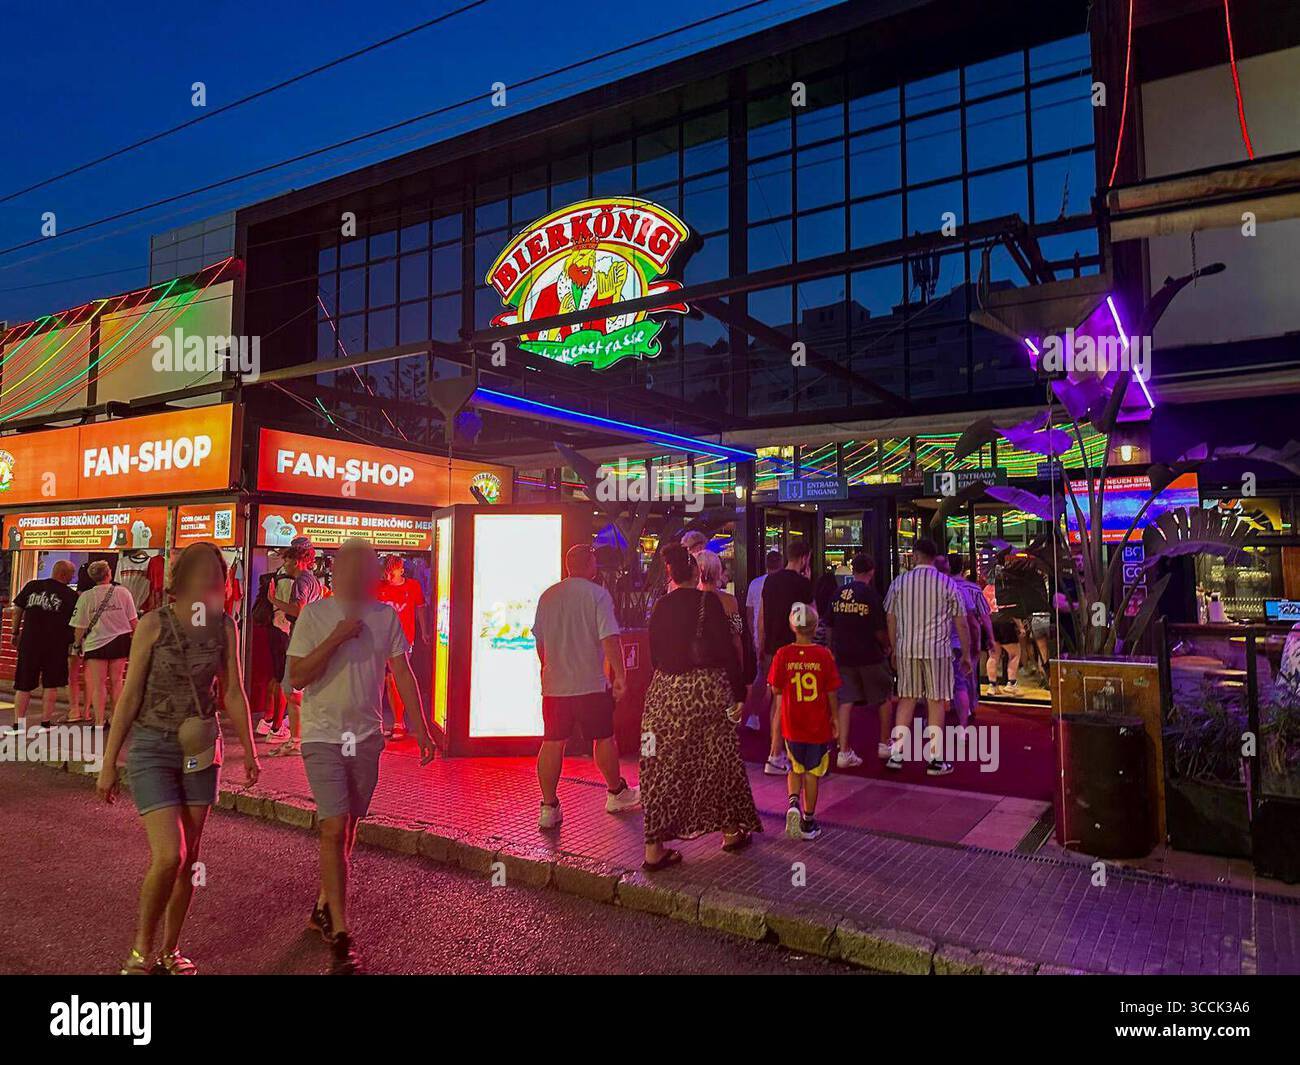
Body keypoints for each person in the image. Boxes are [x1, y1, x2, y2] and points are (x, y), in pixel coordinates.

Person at [96, 542, 260, 975]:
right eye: (199, 574)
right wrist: (109, 760)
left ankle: (171, 950)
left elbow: (232, 691)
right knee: (171, 854)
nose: (208, 583)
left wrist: (250, 752)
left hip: (202, 749)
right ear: (180, 580)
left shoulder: (225, 627)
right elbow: (130, 695)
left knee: (191, 859)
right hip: (152, 746)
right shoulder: (153, 624)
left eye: (215, 575)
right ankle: (139, 950)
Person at [287, 539, 436, 975]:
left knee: (349, 824)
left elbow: (402, 673)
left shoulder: (385, 616)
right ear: (337, 573)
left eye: (368, 568)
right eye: (354, 568)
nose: (363, 575)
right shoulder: (316, 615)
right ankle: (341, 934)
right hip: (322, 737)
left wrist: (423, 729)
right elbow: (296, 675)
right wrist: (335, 637)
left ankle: (323, 904)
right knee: (333, 828)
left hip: (365, 737)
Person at [641, 545, 758, 871]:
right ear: (696, 573)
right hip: (706, 689)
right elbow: (726, 653)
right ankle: (731, 831)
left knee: (662, 766)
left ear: (671, 574)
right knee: (718, 760)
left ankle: (654, 848)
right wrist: (738, 692)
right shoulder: (711, 604)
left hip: (665, 691)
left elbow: (653, 654)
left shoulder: (661, 606)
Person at [532, 544, 639, 830]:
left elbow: (540, 643)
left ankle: (548, 805)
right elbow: (609, 638)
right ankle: (616, 793)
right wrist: (619, 674)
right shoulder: (597, 595)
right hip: (590, 683)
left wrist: (549, 668)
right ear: (589, 564)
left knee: (553, 741)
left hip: (555, 685)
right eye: (594, 560)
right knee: (603, 738)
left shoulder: (548, 596)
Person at [884, 538, 970, 776]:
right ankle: (934, 758)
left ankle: (897, 753)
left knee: (907, 699)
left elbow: (890, 617)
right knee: (936, 701)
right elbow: (961, 622)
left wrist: (893, 647)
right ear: (934, 557)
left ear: (915, 555)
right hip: (937, 651)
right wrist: (965, 652)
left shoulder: (899, 583)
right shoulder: (947, 584)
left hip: (906, 649)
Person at [769, 603, 840, 840]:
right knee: (812, 772)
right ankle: (809, 822)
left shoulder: (782, 654)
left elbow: (776, 689)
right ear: (815, 626)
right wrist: (835, 719)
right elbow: (831, 692)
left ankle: (792, 803)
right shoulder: (824, 656)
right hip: (817, 725)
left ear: (792, 626)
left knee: (794, 766)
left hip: (792, 723)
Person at [827, 554, 894, 765]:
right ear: (871, 571)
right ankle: (884, 743)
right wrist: (887, 646)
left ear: (852, 570)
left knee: (845, 701)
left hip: (844, 655)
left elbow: (829, 625)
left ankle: (843, 751)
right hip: (870, 655)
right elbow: (878, 629)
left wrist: (832, 648)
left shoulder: (838, 593)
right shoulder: (870, 595)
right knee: (883, 698)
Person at [758, 540, 813, 775]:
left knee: (776, 700)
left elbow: (761, 616)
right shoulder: (802, 584)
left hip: (772, 648)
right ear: (804, 558)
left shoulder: (770, 580)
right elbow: (809, 619)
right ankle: (776, 754)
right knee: (787, 703)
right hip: (792, 649)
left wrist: (761, 645)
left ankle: (777, 750)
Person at [265, 539, 322, 756]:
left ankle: (296, 740)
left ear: (297, 560)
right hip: (309, 639)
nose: (285, 563)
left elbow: (299, 610)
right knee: (297, 690)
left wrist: (274, 600)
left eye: (288, 558)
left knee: (291, 690)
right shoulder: (312, 580)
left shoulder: (301, 581)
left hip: (302, 640)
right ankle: (299, 738)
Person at [8, 561, 78, 732]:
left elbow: (17, 609)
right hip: (56, 645)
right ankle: (45, 724)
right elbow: (76, 622)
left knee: (23, 684)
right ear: (64, 574)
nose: (72, 577)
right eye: (71, 574)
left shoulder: (32, 586)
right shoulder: (70, 595)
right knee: (50, 684)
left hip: (30, 642)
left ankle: (19, 725)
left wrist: (14, 632)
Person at [71, 560, 138, 728]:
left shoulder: (86, 597)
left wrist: (77, 645)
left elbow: (79, 627)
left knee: (98, 683)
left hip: (95, 643)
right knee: (117, 682)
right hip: (120, 640)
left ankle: (99, 721)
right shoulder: (123, 593)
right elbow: (133, 621)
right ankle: (117, 720)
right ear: (108, 574)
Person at [376, 554, 427, 741]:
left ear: (401, 571)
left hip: (403, 640)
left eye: (392, 573)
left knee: (395, 679)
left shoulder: (412, 586)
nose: (388, 577)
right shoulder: (378, 587)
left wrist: (425, 631)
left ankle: (399, 722)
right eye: (386, 573)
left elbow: (420, 608)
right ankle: (380, 722)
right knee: (381, 680)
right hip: (378, 640)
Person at [946, 553, 992, 725]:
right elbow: (983, 616)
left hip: (944, 641)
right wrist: (989, 638)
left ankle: (952, 706)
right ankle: (969, 709)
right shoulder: (972, 589)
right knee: (967, 677)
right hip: (967, 640)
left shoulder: (943, 589)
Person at [697, 549, 744, 665]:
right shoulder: (729, 600)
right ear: (718, 572)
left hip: (696, 667)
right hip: (723, 663)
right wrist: (740, 666)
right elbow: (736, 639)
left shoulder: (689, 600)